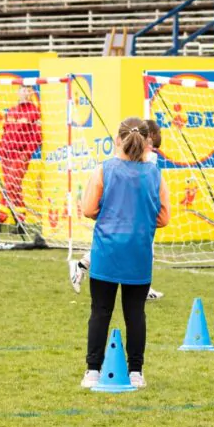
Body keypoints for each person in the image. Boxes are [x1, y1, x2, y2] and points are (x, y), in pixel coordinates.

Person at [80, 117, 171, 390]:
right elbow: (164, 218)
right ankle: (136, 373)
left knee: (100, 312)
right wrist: (139, 219)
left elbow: (88, 209)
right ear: (147, 142)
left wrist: (111, 215)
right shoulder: (155, 175)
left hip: (107, 251)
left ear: (117, 140)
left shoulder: (103, 170)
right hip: (138, 253)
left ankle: (92, 372)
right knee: (135, 313)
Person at [70, 118, 165, 301]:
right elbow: (90, 208)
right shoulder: (141, 166)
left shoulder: (143, 164)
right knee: (128, 243)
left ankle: (81, 264)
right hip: (133, 223)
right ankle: (81, 264)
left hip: (130, 224)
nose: (152, 149)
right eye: (152, 145)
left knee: (103, 311)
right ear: (147, 140)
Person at [0, 84, 41, 221]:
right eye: (23, 90)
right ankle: (20, 221)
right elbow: (5, 131)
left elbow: (37, 137)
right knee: (14, 188)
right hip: (6, 156)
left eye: (28, 90)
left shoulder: (34, 112)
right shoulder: (11, 111)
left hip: (20, 156)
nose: (25, 92)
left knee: (9, 186)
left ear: (32, 92)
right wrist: (1, 148)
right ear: (18, 92)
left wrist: (26, 154)